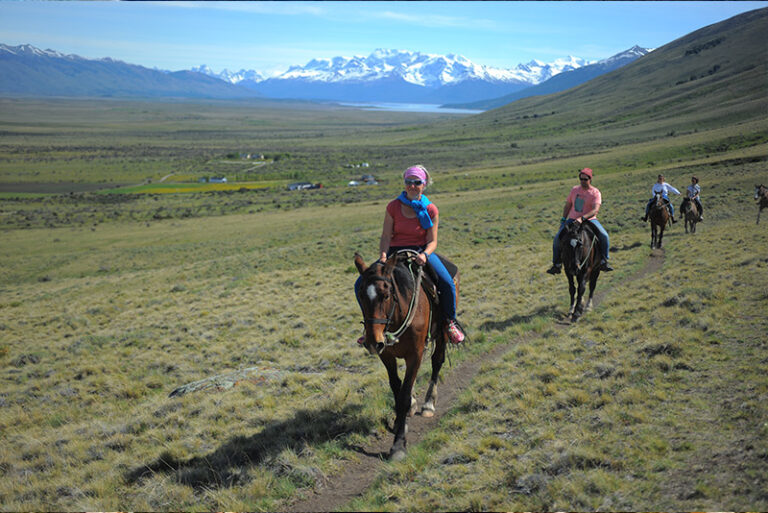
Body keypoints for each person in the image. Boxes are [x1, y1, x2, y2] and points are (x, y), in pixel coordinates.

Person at [355, 165, 465, 344]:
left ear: (424, 184)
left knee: (447, 283)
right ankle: (370, 328)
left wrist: (425, 255)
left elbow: (432, 241)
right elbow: (385, 236)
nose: (412, 186)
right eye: (409, 182)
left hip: (420, 252)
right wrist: (383, 256)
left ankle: (449, 323)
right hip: (394, 254)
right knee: (360, 284)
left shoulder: (431, 209)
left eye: (417, 182)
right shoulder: (393, 207)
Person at [546, 167, 613, 274]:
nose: (583, 181)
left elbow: (595, 210)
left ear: (590, 179)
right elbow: (568, 205)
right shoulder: (574, 190)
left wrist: (582, 218)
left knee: (604, 236)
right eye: (581, 179)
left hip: (590, 220)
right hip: (572, 219)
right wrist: (563, 219)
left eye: (585, 179)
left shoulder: (595, 192)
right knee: (557, 238)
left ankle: (603, 261)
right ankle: (557, 264)